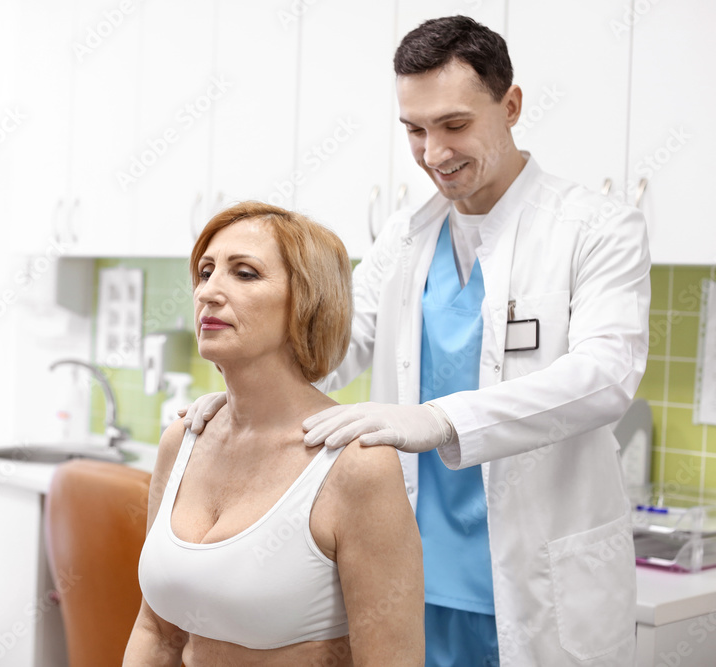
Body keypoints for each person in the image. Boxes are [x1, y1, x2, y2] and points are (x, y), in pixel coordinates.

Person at [182, 16, 650, 667]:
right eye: (415, 130)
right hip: (412, 576)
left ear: (511, 106)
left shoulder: (595, 228)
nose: (433, 153)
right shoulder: (405, 236)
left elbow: (605, 375)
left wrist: (439, 420)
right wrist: (240, 400)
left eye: (454, 125)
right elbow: (329, 348)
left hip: (539, 581)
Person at [124, 201, 424, 666]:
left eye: (244, 274)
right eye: (205, 272)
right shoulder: (182, 441)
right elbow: (157, 632)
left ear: (307, 303)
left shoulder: (357, 465)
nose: (209, 292)